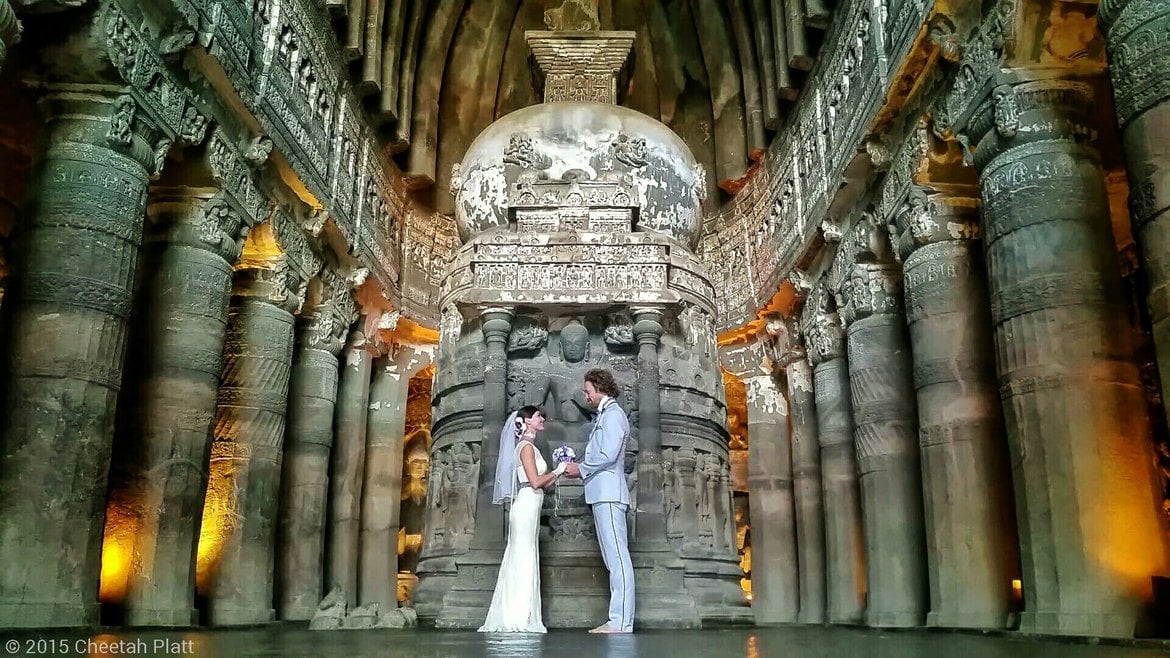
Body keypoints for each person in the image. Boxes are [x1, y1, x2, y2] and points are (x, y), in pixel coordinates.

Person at [478, 405, 566, 633]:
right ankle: (518, 616)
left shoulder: (531, 448)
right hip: (525, 506)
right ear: (526, 421)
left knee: (527, 556)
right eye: (538, 416)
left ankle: (523, 613)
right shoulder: (525, 447)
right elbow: (535, 482)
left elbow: (541, 484)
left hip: (532, 504)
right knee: (523, 556)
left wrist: (559, 472)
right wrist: (557, 471)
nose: (542, 419)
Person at [563, 368, 634, 634]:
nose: (585, 396)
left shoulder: (614, 415)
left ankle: (622, 622)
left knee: (617, 559)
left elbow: (607, 452)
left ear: (599, 387)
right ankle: (618, 619)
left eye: (587, 391)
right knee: (612, 559)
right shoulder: (605, 415)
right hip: (602, 494)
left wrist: (580, 469)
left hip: (610, 494)